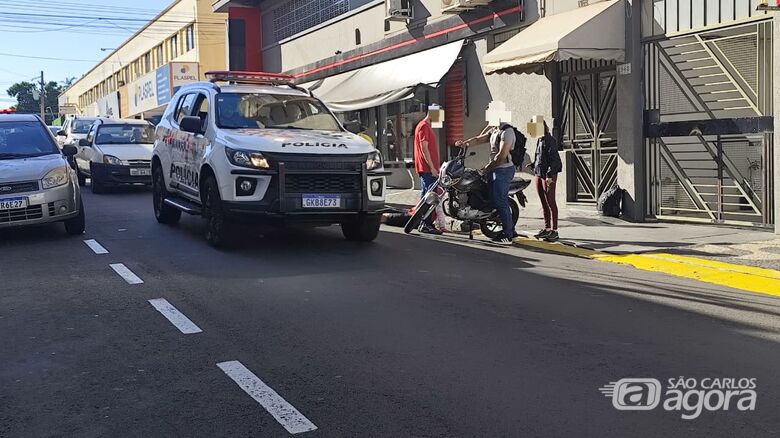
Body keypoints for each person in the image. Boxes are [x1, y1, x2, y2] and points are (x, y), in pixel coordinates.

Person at [455, 121, 517, 245]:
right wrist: (465, 144)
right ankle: (509, 229)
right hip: (494, 169)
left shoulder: (507, 132)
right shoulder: (494, 130)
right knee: (488, 198)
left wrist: (486, 169)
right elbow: (478, 139)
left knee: (500, 200)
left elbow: (501, 156)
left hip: (503, 169)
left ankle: (508, 235)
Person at [531, 121, 563, 241]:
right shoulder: (539, 140)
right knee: (544, 202)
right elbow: (539, 156)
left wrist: (549, 175)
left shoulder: (550, 140)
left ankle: (555, 230)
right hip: (538, 173)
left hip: (548, 174)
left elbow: (553, 159)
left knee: (551, 201)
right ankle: (547, 228)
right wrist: (534, 164)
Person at [413, 109, 442, 235]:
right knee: (430, 196)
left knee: (426, 194)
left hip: (427, 168)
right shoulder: (424, 126)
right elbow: (424, 148)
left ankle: (421, 221)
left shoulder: (424, 126)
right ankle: (426, 223)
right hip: (427, 169)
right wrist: (432, 167)